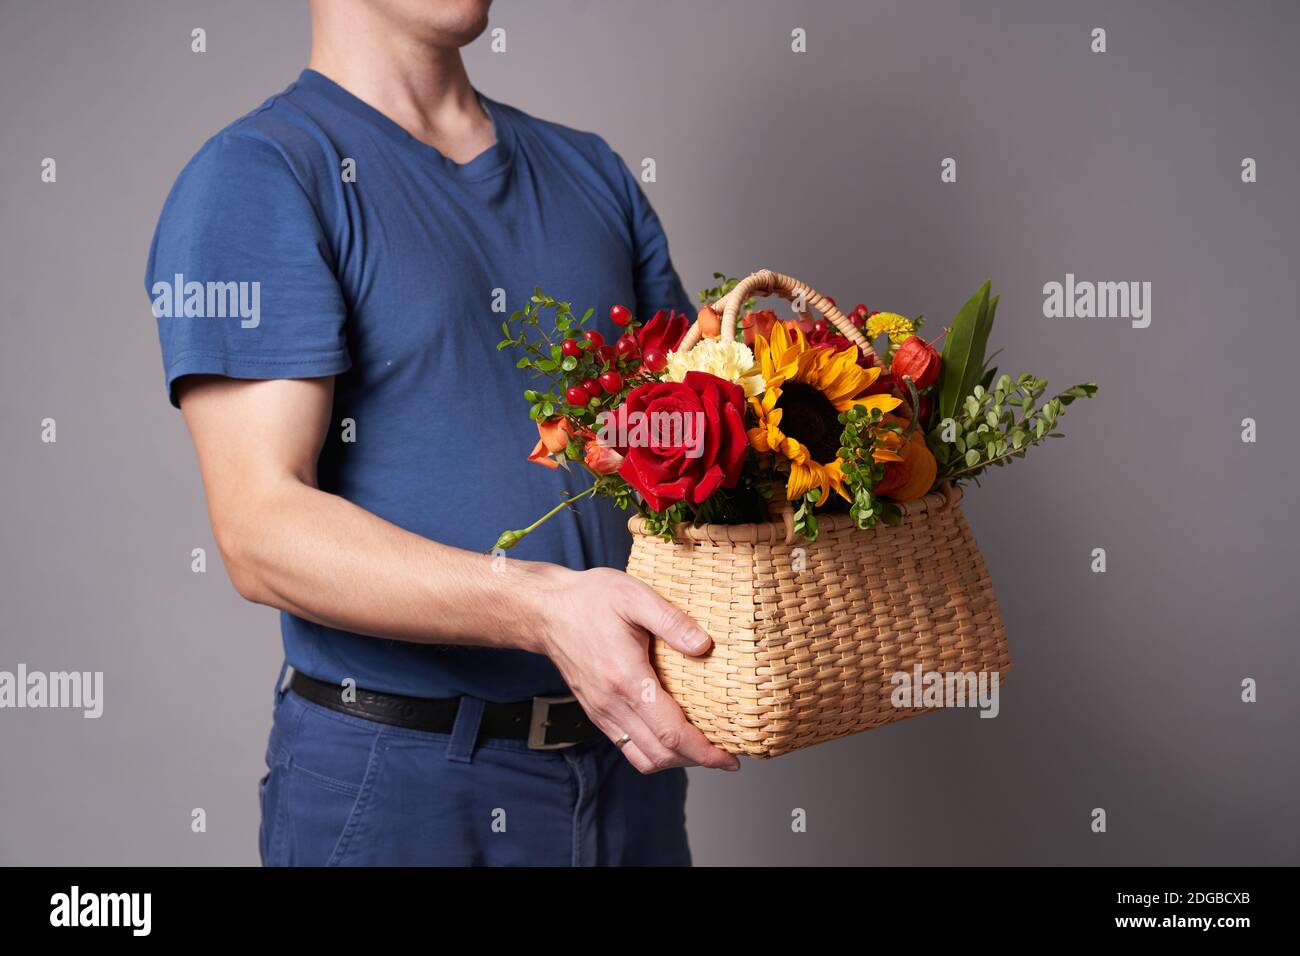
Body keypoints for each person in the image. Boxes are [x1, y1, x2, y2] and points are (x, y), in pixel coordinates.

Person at [145, 0, 739, 867]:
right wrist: (544, 608)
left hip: (629, 765)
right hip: (405, 783)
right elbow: (260, 531)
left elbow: (701, 453)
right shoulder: (260, 175)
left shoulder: (592, 170)